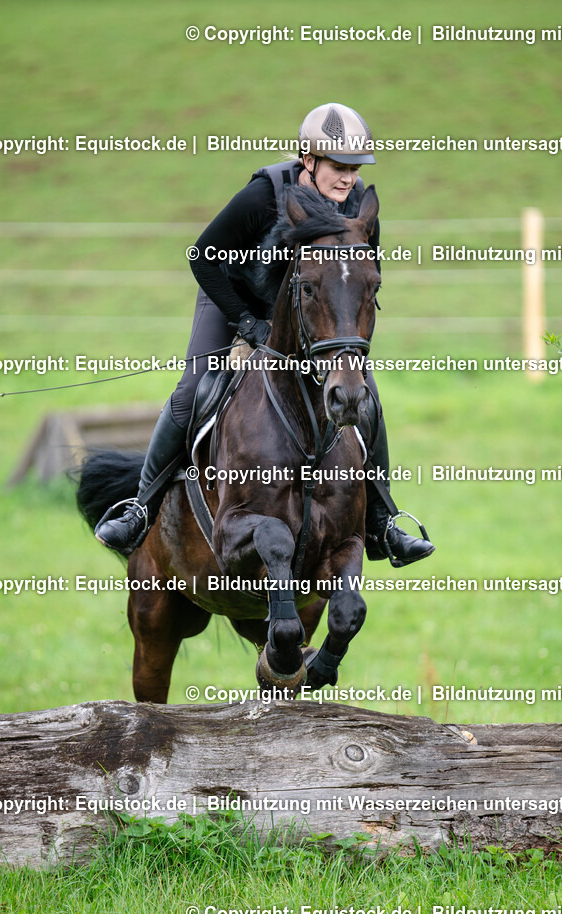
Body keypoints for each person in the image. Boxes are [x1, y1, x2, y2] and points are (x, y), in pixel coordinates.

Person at [95, 103, 434, 567]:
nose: (348, 179)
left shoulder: (357, 205)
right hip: (233, 299)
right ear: (308, 159)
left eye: (355, 169)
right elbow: (202, 256)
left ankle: (383, 521)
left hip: (307, 316)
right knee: (194, 389)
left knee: (366, 394)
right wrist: (247, 323)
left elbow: (358, 278)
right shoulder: (264, 195)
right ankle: (139, 508)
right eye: (339, 167)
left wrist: (347, 339)